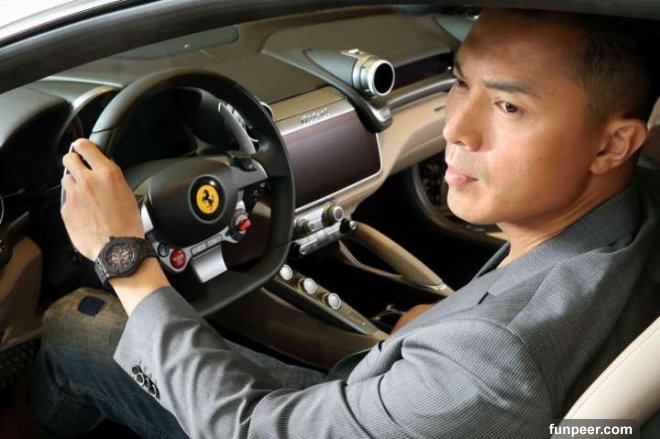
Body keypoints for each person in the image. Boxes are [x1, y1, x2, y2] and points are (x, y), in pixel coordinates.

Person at [27, 8, 660, 438]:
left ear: (614, 144)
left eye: (508, 106)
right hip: (412, 391)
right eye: (460, 82)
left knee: (74, 328)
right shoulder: (640, 206)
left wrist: (126, 259)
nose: (454, 127)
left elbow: (245, 428)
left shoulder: (485, 367)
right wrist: (435, 332)